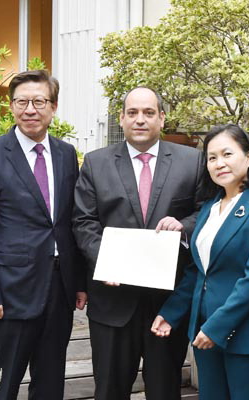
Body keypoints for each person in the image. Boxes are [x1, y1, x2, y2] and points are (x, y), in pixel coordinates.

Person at [72, 86, 203, 400]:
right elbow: (83, 221)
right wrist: (107, 262)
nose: (140, 119)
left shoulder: (192, 161)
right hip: (112, 302)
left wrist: (184, 226)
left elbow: (206, 212)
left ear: (162, 118)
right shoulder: (96, 163)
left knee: (165, 391)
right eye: (132, 112)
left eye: (148, 112)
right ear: (121, 118)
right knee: (109, 391)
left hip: (167, 304)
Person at [0, 70, 87, 399]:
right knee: (4, 384)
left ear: (53, 107)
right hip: (10, 294)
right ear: (11, 106)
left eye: (39, 101)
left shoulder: (65, 154)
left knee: (50, 383)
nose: (30, 109)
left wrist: (79, 282)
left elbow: (69, 222)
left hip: (59, 290)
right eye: (22, 102)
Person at [151, 124, 249, 400]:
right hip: (205, 331)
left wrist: (216, 327)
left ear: (248, 157)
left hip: (247, 333)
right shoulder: (210, 207)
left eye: (227, 154)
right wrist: (171, 313)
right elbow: (199, 270)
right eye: (212, 158)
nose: (219, 163)